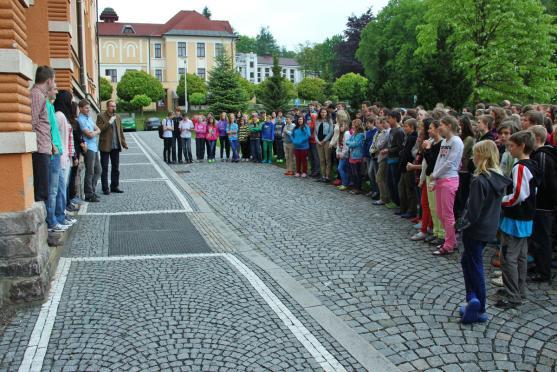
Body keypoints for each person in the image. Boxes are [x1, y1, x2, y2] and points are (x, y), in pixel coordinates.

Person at [459, 140, 511, 324]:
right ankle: (472, 299)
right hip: (489, 228)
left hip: (475, 229)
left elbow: (473, 210)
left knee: (475, 265)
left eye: (475, 154)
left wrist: (462, 225)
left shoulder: (480, 180)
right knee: (468, 262)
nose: (473, 157)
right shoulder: (499, 177)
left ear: (482, 156)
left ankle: (479, 306)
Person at [497, 131, 539, 309]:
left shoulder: (520, 167)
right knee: (521, 257)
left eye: (512, 146)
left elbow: (519, 194)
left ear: (522, 146)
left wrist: (502, 201)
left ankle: (513, 295)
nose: (509, 148)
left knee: (508, 257)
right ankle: (519, 290)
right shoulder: (533, 164)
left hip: (516, 218)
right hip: (525, 218)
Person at [430, 116, 464, 255]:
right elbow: (440, 159)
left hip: (449, 180)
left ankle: (449, 244)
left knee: (448, 214)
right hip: (440, 179)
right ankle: (451, 240)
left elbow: (450, 162)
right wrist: (435, 176)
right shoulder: (445, 141)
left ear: (449, 125)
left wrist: (435, 174)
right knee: (440, 212)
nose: (439, 128)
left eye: (442, 125)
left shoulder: (456, 141)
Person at [528, 125, 557, 283]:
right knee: (538, 237)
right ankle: (539, 265)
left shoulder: (543, 156)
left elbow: (546, 182)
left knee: (543, 238)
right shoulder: (539, 154)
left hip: (544, 204)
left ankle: (543, 271)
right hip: (541, 204)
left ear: (537, 138)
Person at [31, 66, 56, 202]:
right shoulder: (36, 95)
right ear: (48, 81)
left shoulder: (40, 95)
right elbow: (32, 123)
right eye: (53, 81)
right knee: (42, 191)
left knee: (44, 190)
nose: (54, 84)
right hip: (39, 149)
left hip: (44, 147)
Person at [53, 90, 77, 228]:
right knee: (60, 190)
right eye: (71, 100)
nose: (72, 102)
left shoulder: (63, 116)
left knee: (63, 188)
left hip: (66, 156)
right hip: (61, 156)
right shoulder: (59, 116)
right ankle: (60, 217)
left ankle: (62, 215)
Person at [97, 100, 128, 195]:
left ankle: (114, 186)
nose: (113, 108)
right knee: (105, 168)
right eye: (111, 106)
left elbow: (120, 131)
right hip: (105, 145)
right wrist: (109, 122)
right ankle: (105, 188)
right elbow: (100, 129)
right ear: (107, 107)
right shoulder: (101, 116)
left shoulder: (117, 117)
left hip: (115, 145)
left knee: (115, 168)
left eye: (114, 106)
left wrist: (123, 143)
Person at [423, 120, 445, 247]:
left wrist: (427, 150)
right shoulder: (432, 142)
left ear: (437, 129)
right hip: (429, 175)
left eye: (431, 128)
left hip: (436, 176)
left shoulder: (441, 144)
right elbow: (428, 160)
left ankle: (442, 234)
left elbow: (434, 161)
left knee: (438, 206)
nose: (428, 130)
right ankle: (436, 232)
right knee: (432, 206)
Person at [45, 86, 64, 231]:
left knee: (57, 189)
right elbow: (42, 128)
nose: (56, 91)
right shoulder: (44, 105)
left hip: (57, 151)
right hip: (52, 153)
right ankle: (51, 221)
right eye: (54, 88)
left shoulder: (50, 106)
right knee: (52, 190)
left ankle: (56, 218)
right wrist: (52, 144)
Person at [77, 99, 101, 203]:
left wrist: (94, 133)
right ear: (81, 108)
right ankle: (88, 194)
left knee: (98, 170)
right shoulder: (80, 120)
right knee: (90, 171)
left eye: (89, 107)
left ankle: (92, 190)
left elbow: (98, 129)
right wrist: (94, 133)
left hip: (94, 147)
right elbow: (89, 134)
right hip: (88, 148)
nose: (88, 109)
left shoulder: (89, 118)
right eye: (86, 108)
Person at [398, 118, 418, 218]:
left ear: (412, 127)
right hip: (404, 166)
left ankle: (411, 210)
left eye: (406, 126)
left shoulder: (412, 138)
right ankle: (403, 208)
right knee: (402, 188)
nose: (404, 128)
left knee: (409, 189)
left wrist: (403, 163)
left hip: (408, 166)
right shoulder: (408, 137)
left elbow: (407, 153)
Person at [386, 111, 405, 209]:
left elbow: (399, 147)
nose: (388, 120)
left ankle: (398, 202)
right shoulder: (392, 130)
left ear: (394, 118)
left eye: (389, 118)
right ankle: (393, 200)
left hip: (395, 159)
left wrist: (388, 150)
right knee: (390, 181)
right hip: (390, 158)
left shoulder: (399, 131)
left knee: (395, 181)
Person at [373, 118, 391, 206]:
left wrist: (378, 144)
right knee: (380, 178)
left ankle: (384, 198)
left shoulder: (387, 132)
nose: (382, 125)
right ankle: (384, 197)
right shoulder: (383, 132)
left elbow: (379, 145)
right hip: (381, 157)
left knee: (379, 178)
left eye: (384, 123)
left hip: (384, 157)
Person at [315, 108, 334, 182]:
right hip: (319, 142)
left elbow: (331, 132)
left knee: (327, 159)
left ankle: (327, 176)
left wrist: (324, 140)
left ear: (327, 113)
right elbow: (315, 132)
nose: (323, 113)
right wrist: (317, 141)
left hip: (326, 142)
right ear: (320, 113)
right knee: (322, 160)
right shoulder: (317, 120)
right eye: (322, 112)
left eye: (324, 112)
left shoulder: (329, 120)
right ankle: (322, 176)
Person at [346, 120, 365, 194]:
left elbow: (356, 144)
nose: (352, 126)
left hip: (358, 155)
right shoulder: (354, 134)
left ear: (357, 126)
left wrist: (350, 143)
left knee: (357, 173)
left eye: (353, 125)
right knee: (353, 173)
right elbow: (348, 141)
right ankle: (355, 187)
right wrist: (350, 143)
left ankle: (358, 188)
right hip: (352, 155)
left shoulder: (360, 134)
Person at [336, 121, 351, 191]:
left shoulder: (347, 133)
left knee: (340, 168)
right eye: (340, 126)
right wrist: (337, 152)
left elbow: (346, 146)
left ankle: (345, 183)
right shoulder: (340, 134)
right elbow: (338, 145)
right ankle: (345, 183)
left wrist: (342, 154)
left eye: (342, 126)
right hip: (341, 154)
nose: (340, 128)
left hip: (345, 155)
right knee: (343, 169)